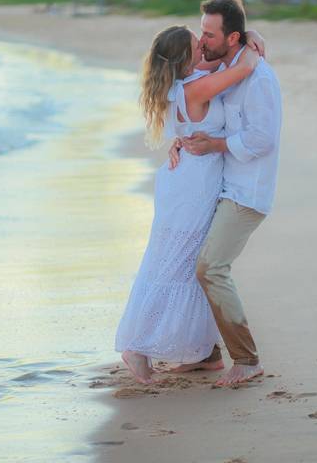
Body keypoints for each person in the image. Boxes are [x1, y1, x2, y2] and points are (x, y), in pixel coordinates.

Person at [115, 24, 262, 385]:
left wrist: (250, 32)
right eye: (198, 46)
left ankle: (203, 353)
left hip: (186, 182)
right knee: (173, 265)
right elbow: (244, 68)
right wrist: (250, 43)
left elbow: (225, 61)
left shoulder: (186, 82)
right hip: (191, 188)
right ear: (184, 60)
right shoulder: (196, 87)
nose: (203, 50)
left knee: (178, 264)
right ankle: (137, 347)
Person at [169, 0, 282, 387]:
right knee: (189, 264)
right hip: (216, 187)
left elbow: (262, 139)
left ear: (231, 37)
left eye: (208, 33)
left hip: (246, 193)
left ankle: (247, 360)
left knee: (210, 268)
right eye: (201, 31)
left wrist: (216, 146)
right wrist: (181, 140)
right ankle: (205, 354)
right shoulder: (224, 63)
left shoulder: (259, 77)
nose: (201, 40)